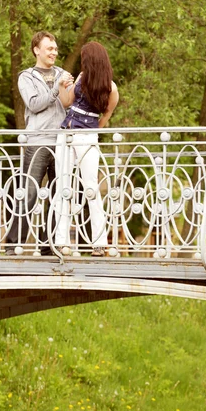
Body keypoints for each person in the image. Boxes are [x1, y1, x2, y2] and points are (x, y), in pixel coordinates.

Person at [5, 31, 73, 255]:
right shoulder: (26, 76)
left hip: (61, 142)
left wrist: (71, 87)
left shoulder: (63, 73)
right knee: (29, 193)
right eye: (49, 48)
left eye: (55, 48)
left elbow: (68, 103)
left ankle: (49, 244)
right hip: (37, 141)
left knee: (57, 194)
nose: (54, 52)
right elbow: (33, 104)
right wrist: (56, 88)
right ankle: (14, 244)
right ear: (37, 50)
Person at [54, 41, 119, 256]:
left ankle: (99, 242)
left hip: (87, 137)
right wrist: (62, 87)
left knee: (91, 187)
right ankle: (61, 241)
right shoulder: (81, 77)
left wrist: (92, 133)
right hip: (66, 133)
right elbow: (66, 102)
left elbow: (106, 116)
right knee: (63, 186)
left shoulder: (111, 88)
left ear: (91, 59)